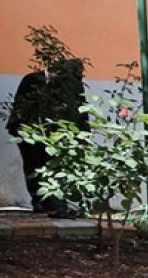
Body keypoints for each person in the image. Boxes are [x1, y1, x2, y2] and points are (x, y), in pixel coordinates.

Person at [6, 58, 87, 217]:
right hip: (29, 131)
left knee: (52, 167)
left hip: (53, 135)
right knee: (32, 166)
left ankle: (54, 205)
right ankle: (40, 202)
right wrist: (25, 129)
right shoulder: (31, 80)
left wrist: (83, 134)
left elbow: (80, 110)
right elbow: (21, 105)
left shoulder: (72, 84)